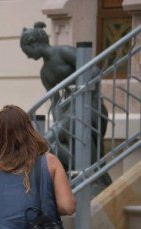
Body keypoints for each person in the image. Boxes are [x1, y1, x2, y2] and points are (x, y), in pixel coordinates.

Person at [20, 22, 110, 190]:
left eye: (27, 51)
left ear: (35, 44)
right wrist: (60, 122)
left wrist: (77, 94)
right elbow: (54, 102)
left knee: (44, 142)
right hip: (69, 115)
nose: (28, 57)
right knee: (51, 145)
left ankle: (90, 177)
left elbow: (93, 70)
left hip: (89, 107)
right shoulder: (45, 73)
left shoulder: (63, 52)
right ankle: (86, 176)